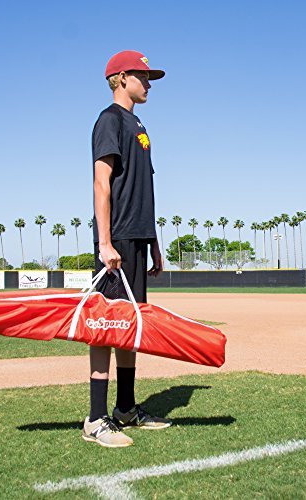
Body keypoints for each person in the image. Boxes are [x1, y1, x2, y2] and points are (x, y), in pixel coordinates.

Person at [82, 50, 172, 448]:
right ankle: (95, 419)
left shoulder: (140, 125)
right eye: (143, 75)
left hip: (137, 238)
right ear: (121, 78)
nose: (149, 83)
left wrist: (153, 243)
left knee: (129, 325)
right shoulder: (109, 120)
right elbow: (102, 184)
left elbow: (143, 189)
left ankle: (126, 408)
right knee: (105, 326)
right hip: (116, 238)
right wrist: (105, 242)